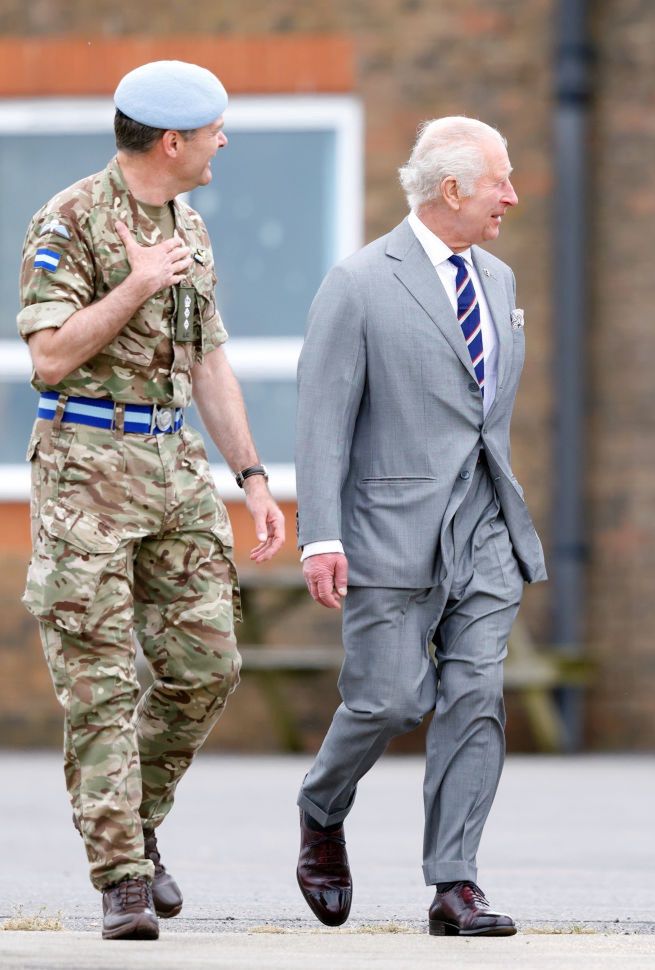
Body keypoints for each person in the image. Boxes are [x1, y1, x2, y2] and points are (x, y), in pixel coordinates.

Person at [18, 60, 285, 941]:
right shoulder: (69, 219)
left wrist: (251, 477)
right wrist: (134, 285)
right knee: (96, 688)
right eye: (214, 130)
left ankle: (135, 823)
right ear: (174, 141)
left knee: (207, 668)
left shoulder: (190, 225)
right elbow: (50, 357)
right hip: (83, 473)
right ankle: (122, 878)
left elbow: (209, 361)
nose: (223, 143)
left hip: (172, 469)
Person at [293, 116, 545, 937]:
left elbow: (483, 419)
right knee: (390, 700)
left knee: (475, 696)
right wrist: (321, 535)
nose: (511, 195)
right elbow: (323, 420)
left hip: (486, 530)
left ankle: (455, 883)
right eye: (499, 182)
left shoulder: (501, 282)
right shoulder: (361, 282)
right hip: (391, 529)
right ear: (452, 190)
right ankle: (322, 808)